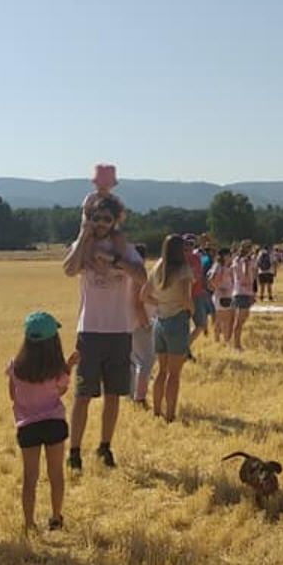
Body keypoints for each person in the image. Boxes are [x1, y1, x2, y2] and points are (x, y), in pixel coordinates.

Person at [62, 195, 146, 470]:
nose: (100, 223)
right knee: (83, 395)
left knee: (113, 394)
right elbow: (69, 269)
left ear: (115, 221)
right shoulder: (82, 246)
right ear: (89, 217)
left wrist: (115, 261)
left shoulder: (125, 248)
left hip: (120, 330)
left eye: (106, 219)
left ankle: (104, 447)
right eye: (96, 218)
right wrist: (83, 235)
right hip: (90, 330)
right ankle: (74, 452)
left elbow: (143, 277)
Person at [8, 312, 78, 532]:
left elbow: (13, 395)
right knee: (55, 474)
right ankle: (56, 517)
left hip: (27, 426)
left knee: (30, 477)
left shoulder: (16, 368)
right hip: (54, 424)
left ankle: (29, 523)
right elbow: (63, 389)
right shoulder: (56, 369)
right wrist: (69, 366)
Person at [142, 235, 193, 423]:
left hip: (160, 321)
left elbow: (143, 295)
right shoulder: (183, 269)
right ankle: (170, 414)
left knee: (161, 371)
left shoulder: (157, 266)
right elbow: (186, 298)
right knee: (174, 374)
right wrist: (191, 310)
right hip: (177, 320)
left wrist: (160, 302)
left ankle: (156, 411)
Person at [80, 164, 128, 274]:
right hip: (92, 227)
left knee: (118, 236)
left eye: (106, 184)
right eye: (100, 184)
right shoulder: (91, 198)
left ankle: (118, 260)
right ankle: (88, 262)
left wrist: (114, 224)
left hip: (111, 228)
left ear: (111, 186)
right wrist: (86, 226)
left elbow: (122, 216)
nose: (103, 187)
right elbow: (85, 213)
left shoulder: (115, 200)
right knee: (89, 239)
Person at [130, 244, 157, 408]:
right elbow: (138, 302)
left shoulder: (125, 273)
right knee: (145, 362)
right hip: (139, 322)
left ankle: (131, 393)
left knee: (133, 361)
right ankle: (139, 398)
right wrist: (145, 323)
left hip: (129, 323)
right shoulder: (138, 274)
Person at [230, 241, 258, 351]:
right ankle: (236, 345)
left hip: (242, 292)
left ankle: (236, 343)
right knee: (239, 321)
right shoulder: (244, 261)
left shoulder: (237, 260)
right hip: (243, 292)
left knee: (242, 319)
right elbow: (245, 278)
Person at [183, 235, 209, 348]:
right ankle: (183, 349)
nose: (189, 246)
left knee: (201, 324)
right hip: (184, 295)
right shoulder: (179, 258)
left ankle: (185, 346)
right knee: (183, 325)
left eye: (191, 244)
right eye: (186, 244)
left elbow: (199, 275)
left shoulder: (196, 257)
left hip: (197, 294)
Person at [208, 248, 234, 344]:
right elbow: (212, 279)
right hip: (222, 296)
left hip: (225, 295)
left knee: (220, 320)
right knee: (226, 320)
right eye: (229, 255)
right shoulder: (219, 266)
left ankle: (217, 340)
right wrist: (219, 288)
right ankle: (226, 341)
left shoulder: (223, 266)